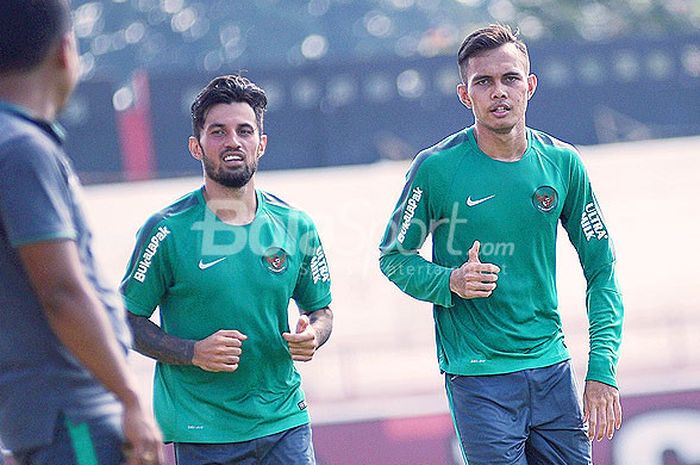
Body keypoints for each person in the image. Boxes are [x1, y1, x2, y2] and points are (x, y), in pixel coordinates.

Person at [378, 24, 623, 465]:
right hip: (479, 378)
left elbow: (601, 270)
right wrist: (449, 281)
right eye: (483, 82)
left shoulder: (563, 164)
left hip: (552, 370)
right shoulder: (435, 169)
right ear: (464, 95)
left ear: (529, 86)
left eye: (510, 79)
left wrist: (602, 369)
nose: (499, 92)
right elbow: (394, 256)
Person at [120, 74, 334, 465]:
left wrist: (313, 335)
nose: (233, 141)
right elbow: (124, 319)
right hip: (203, 431)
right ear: (196, 147)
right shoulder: (166, 231)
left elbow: (321, 311)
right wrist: (192, 352)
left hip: (283, 421)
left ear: (261, 144)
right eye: (217, 132)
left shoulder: (297, 225)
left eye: (244, 130)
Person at [0, 1, 164, 465]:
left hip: (48, 420)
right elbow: (62, 292)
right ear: (65, 50)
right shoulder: (22, 150)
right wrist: (130, 398)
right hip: (76, 416)